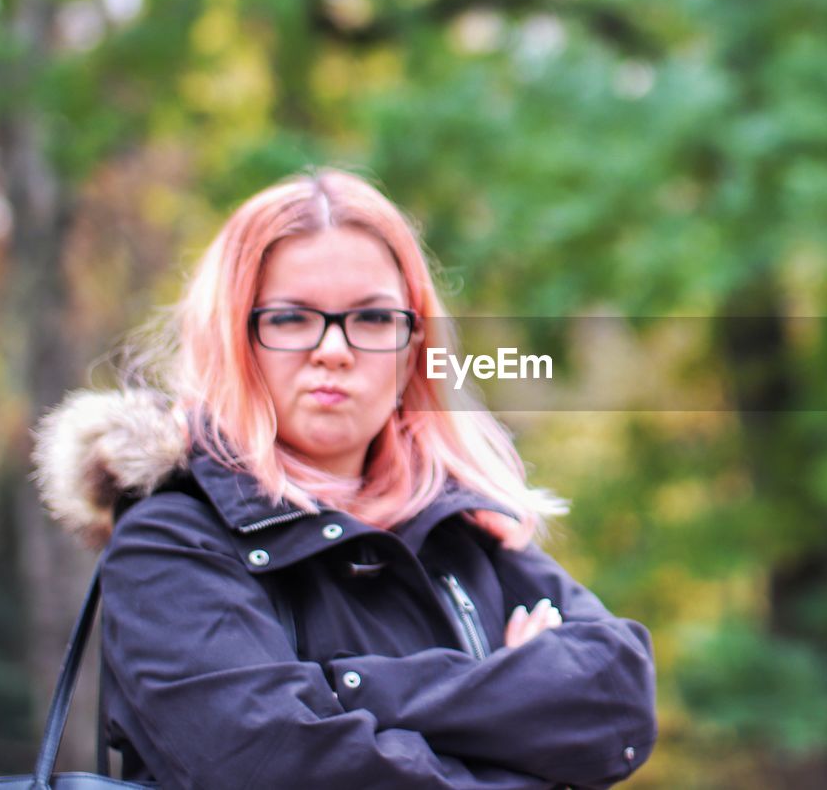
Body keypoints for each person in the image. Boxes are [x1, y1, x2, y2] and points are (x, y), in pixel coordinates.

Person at [32, 169, 657, 788]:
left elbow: (617, 700)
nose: (334, 349)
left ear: (413, 345)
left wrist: (352, 687)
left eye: (374, 319)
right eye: (290, 319)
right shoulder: (170, 539)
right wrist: (516, 709)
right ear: (233, 338)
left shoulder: (461, 533)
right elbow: (279, 771)